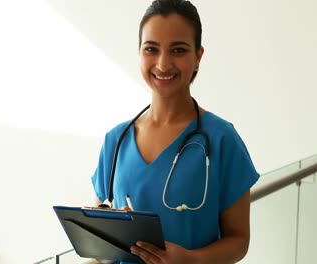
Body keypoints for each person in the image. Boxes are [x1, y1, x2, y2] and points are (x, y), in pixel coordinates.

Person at [90, 0, 260, 263]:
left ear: (198, 56)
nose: (163, 63)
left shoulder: (222, 140)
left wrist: (190, 259)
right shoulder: (116, 140)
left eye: (178, 50)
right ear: (139, 53)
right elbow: (101, 231)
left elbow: (239, 240)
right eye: (151, 49)